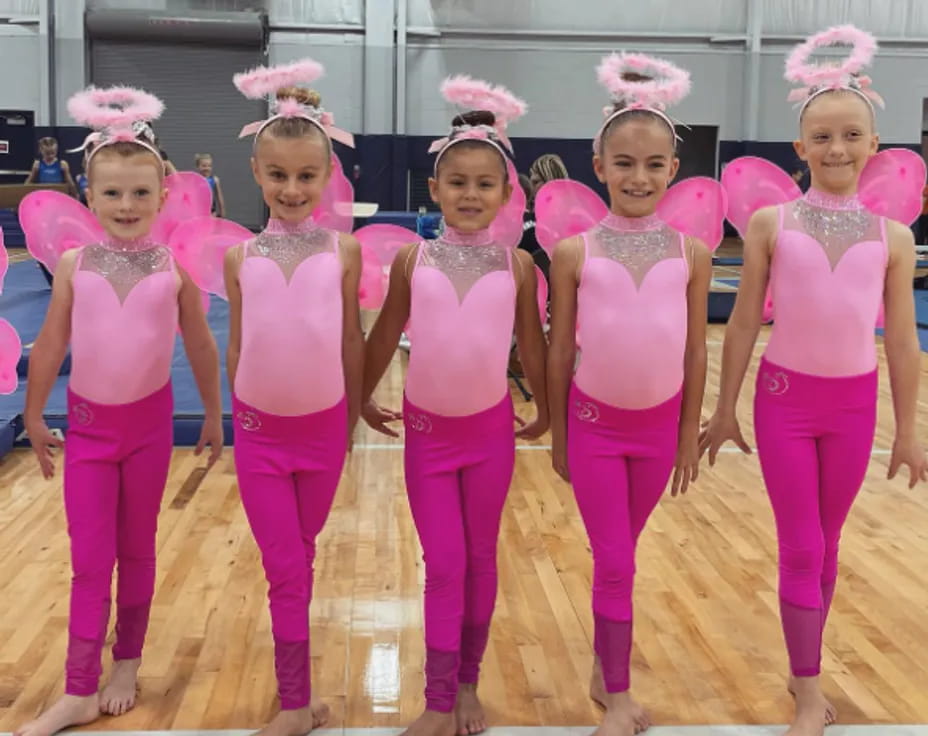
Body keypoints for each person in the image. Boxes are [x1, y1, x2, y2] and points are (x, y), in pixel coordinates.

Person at [700, 25, 928, 736]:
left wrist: (909, 431)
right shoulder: (771, 224)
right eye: (822, 137)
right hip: (786, 404)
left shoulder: (893, 238)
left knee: (828, 547)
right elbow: (743, 322)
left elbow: (902, 342)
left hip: (854, 407)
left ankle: (808, 662)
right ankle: (806, 687)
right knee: (801, 545)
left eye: (851, 136)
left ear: (874, 145)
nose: (836, 149)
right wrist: (725, 408)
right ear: (799, 148)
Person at [15, 85, 223, 736]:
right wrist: (33, 415)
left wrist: (213, 413)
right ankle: (79, 688)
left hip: (148, 430)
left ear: (162, 197)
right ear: (90, 196)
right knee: (89, 558)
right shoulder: (73, 265)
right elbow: (51, 343)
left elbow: (199, 343)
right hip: (90, 432)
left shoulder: (174, 269)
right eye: (112, 193)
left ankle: (126, 662)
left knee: (136, 551)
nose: (126, 205)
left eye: (139, 193)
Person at [361, 75, 548, 736]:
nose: (470, 194)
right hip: (429, 438)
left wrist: (547, 409)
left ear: (505, 194)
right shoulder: (413, 262)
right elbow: (385, 333)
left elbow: (531, 346)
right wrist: (361, 395)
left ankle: (468, 683)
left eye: (484, 184)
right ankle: (438, 699)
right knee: (443, 565)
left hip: (489, 436)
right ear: (435, 189)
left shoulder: (518, 267)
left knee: (480, 560)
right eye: (458, 182)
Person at [546, 53, 712, 736]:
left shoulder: (691, 254)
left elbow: (696, 349)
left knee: (622, 553)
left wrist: (687, 432)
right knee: (615, 560)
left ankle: (601, 662)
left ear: (672, 170)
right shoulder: (574, 253)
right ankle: (617, 696)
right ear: (599, 166)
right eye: (623, 163)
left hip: (658, 431)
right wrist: (559, 435)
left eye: (652, 165)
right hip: (595, 428)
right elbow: (560, 352)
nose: (638, 177)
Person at [225, 58, 364, 736]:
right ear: (257, 173)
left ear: (327, 175)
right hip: (260, 434)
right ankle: (293, 704)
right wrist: (238, 422)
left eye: (306, 175)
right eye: (277, 175)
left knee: (301, 556)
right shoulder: (240, 257)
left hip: (323, 431)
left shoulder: (344, 252)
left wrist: (353, 418)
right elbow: (238, 345)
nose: (291, 188)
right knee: (285, 566)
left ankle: (302, 703)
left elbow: (350, 341)